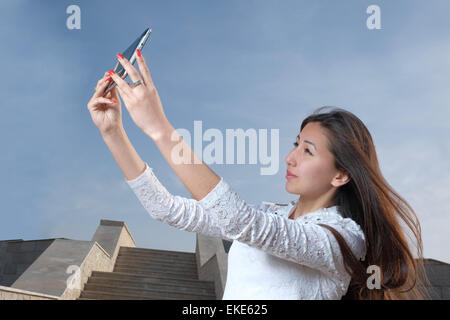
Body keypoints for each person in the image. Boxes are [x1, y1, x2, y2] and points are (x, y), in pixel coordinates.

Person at [87, 50, 430, 299]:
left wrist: (160, 129)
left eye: (307, 151)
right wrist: (112, 132)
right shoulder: (274, 215)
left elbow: (240, 222)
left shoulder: (342, 239)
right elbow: (167, 209)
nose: (290, 158)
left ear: (341, 175)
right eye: (295, 144)